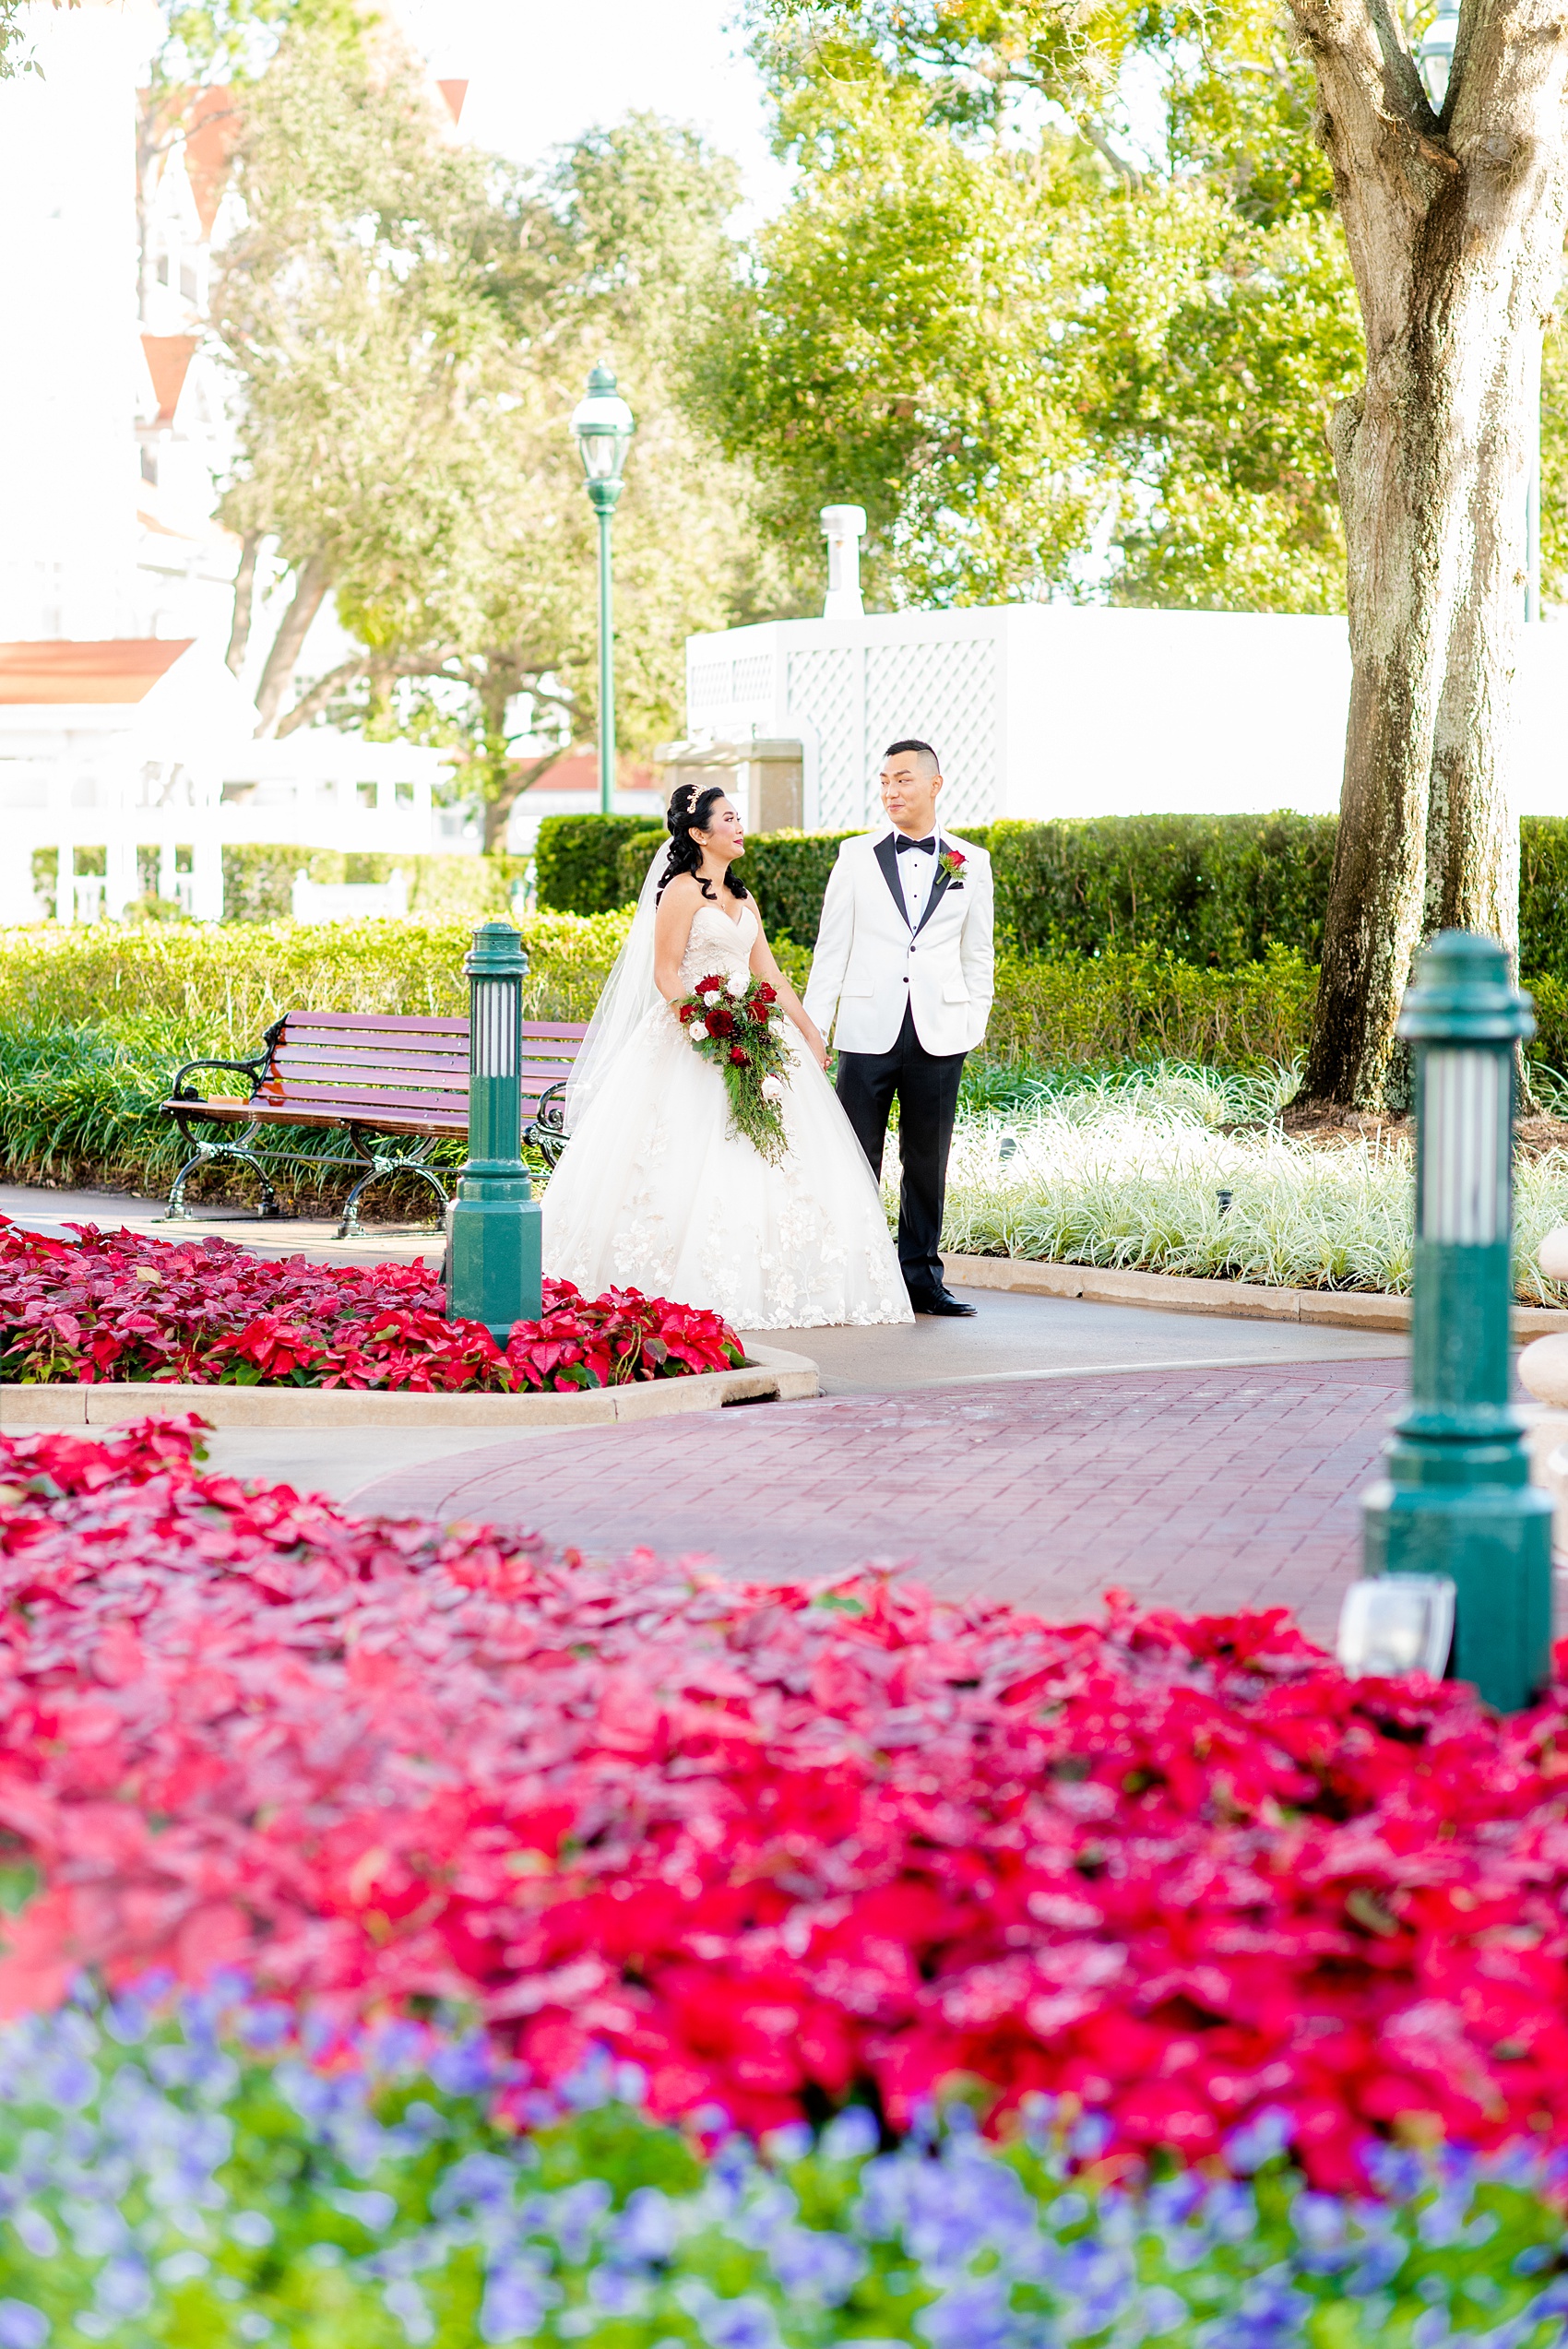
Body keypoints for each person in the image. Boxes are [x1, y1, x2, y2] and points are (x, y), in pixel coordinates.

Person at [540, 782, 913, 1330]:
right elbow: (665, 974)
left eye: (740, 817)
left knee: (777, 1156)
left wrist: (810, 1029)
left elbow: (768, 974)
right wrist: (703, 1029)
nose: (741, 827)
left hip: (757, 1035)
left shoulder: (744, 898)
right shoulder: (680, 894)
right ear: (699, 834)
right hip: (693, 1039)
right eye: (730, 818)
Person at [802, 739, 994, 1317]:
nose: (891, 790)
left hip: (940, 1030)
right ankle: (851, 1278)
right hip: (866, 1028)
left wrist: (971, 1023)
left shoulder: (971, 862)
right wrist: (814, 1031)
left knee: (927, 1159)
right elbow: (830, 949)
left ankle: (921, 1278)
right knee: (856, 1157)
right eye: (884, 780)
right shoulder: (855, 856)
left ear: (935, 785)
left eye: (904, 779)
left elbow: (977, 954)